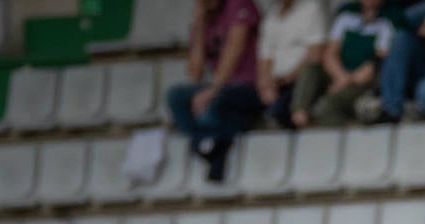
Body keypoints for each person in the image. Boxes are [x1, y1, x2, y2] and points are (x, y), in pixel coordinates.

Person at [167, 0, 264, 182]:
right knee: (176, 96)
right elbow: (195, 73)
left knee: (216, 103)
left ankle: (210, 146)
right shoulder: (206, 17)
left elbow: (235, 48)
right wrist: (199, 24)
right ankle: (206, 142)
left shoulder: (238, 5)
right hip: (218, 87)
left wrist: (213, 89)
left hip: (247, 85)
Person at [290, 0, 395, 128]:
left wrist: (345, 82)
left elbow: (373, 66)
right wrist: (340, 77)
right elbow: (330, 54)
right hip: (338, 74)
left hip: (360, 83)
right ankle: (300, 112)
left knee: (327, 107)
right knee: (311, 69)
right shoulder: (346, 18)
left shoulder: (385, 25)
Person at [256, 0, 327, 129]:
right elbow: (265, 56)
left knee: (279, 111)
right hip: (275, 85)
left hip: (298, 81)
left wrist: (288, 77)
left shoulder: (310, 8)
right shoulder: (271, 15)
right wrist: (266, 85)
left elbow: (315, 53)